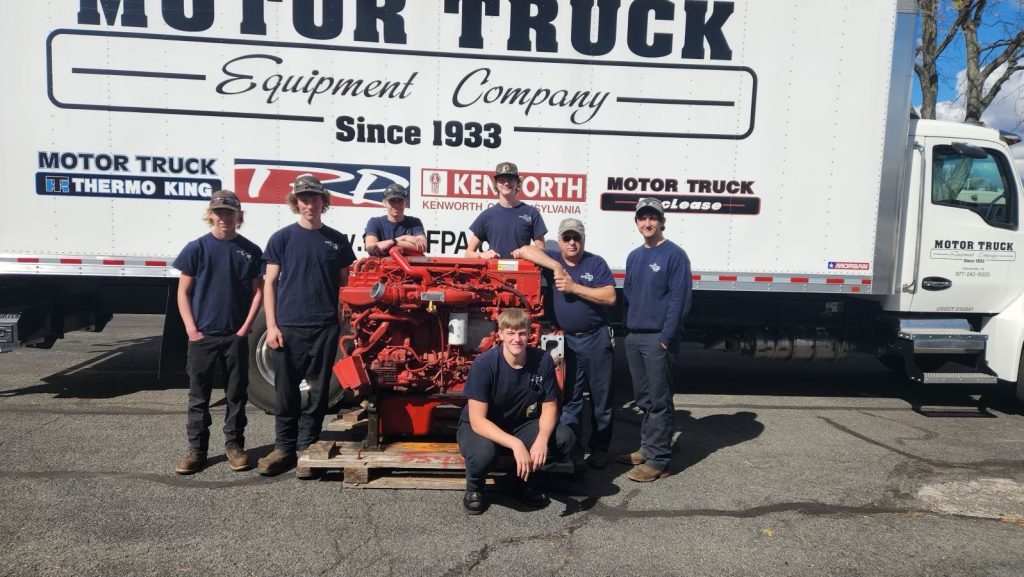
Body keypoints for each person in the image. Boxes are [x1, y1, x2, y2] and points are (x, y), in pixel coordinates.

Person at [257, 174, 357, 478]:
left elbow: (346, 284)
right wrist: (272, 326)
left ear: (323, 202)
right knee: (286, 391)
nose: (309, 204)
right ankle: (284, 448)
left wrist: (343, 322)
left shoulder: (337, 241)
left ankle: (309, 445)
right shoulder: (282, 239)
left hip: (325, 327)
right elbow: (270, 284)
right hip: (289, 326)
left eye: (314, 198)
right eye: (303, 199)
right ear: (295, 203)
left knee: (318, 392)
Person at [513, 218, 616, 473]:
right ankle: (574, 450)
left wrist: (573, 287)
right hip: (567, 340)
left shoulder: (595, 262)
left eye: (577, 238)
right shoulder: (552, 258)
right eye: (567, 238)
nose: (572, 242)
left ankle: (600, 448)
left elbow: (610, 296)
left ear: (583, 240)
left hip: (596, 337)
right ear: (559, 241)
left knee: (601, 398)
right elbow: (525, 249)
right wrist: (556, 266)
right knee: (569, 398)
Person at [173, 190, 263, 475]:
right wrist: (191, 329)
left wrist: (245, 328)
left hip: (235, 336)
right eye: (219, 212)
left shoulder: (250, 250)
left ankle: (235, 447)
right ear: (210, 215)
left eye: (230, 212)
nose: (224, 217)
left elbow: (258, 292)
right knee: (198, 396)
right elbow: (183, 292)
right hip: (203, 337)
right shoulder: (196, 248)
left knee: (236, 394)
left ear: (239, 216)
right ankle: (196, 450)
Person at [457, 308, 575, 515]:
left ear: (530, 334)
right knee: (483, 454)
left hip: (520, 423)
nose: (517, 339)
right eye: (510, 333)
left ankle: (521, 482)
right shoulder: (485, 364)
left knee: (564, 438)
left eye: (521, 333)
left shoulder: (542, 360)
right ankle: (475, 489)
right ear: (500, 334)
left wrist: (541, 440)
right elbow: (477, 420)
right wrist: (516, 444)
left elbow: (550, 406)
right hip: (484, 427)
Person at [619, 197, 693, 482]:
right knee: (644, 398)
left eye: (653, 218)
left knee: (659, 400)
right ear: (637, 222)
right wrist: (627, 330)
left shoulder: (674, 255)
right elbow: (629, 295)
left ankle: (660, 460)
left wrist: (666, 338)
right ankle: (647, 448)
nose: (647, 223)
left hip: (657, 339)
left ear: (662, 221)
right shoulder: (634, 256)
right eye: (642, 218)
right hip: (636, 337)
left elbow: (680, 300)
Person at [464, 162, 547, 259]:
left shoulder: (531, 213)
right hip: (493, 273)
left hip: (523, 272)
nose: (506, 183)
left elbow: (541, 249)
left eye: (510, 179)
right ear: (496, 184)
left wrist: (525, 251)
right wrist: (481, 255)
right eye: (501, 180)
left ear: (518, 182)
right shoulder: (486, 216)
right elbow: (468, 254)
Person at [364, 183, 427, 256]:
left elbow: (423, 246)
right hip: (382, 267)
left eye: (400, 201)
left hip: (408, 266)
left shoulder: (415, 222)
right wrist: (404, 238)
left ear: (406, 203)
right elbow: (371, 248)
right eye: (392, 201)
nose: (396, 205)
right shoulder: (374, 222)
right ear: (384, 203)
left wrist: (393, 243)